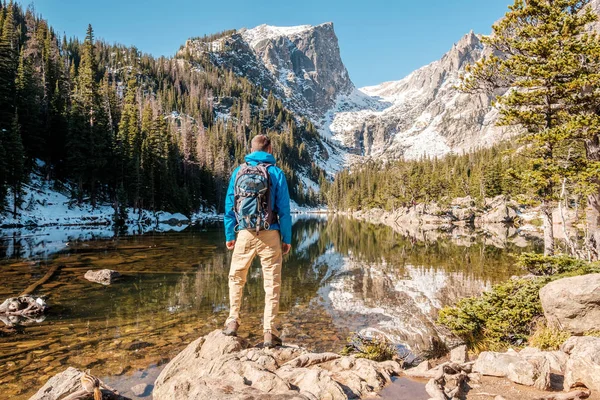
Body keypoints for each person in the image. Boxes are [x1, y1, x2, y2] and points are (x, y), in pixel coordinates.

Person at [223, 134, 292, 348]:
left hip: (244, 233)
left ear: (251, 149)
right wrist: (286, 238)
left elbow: (229, 206)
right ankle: (269, 332)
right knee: (272, 283)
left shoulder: (238, 171)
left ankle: (233, 320)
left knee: (236, 277)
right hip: (270, 233)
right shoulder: (276, 172)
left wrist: (229, 235)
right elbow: (285, 211)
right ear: (269, 149)